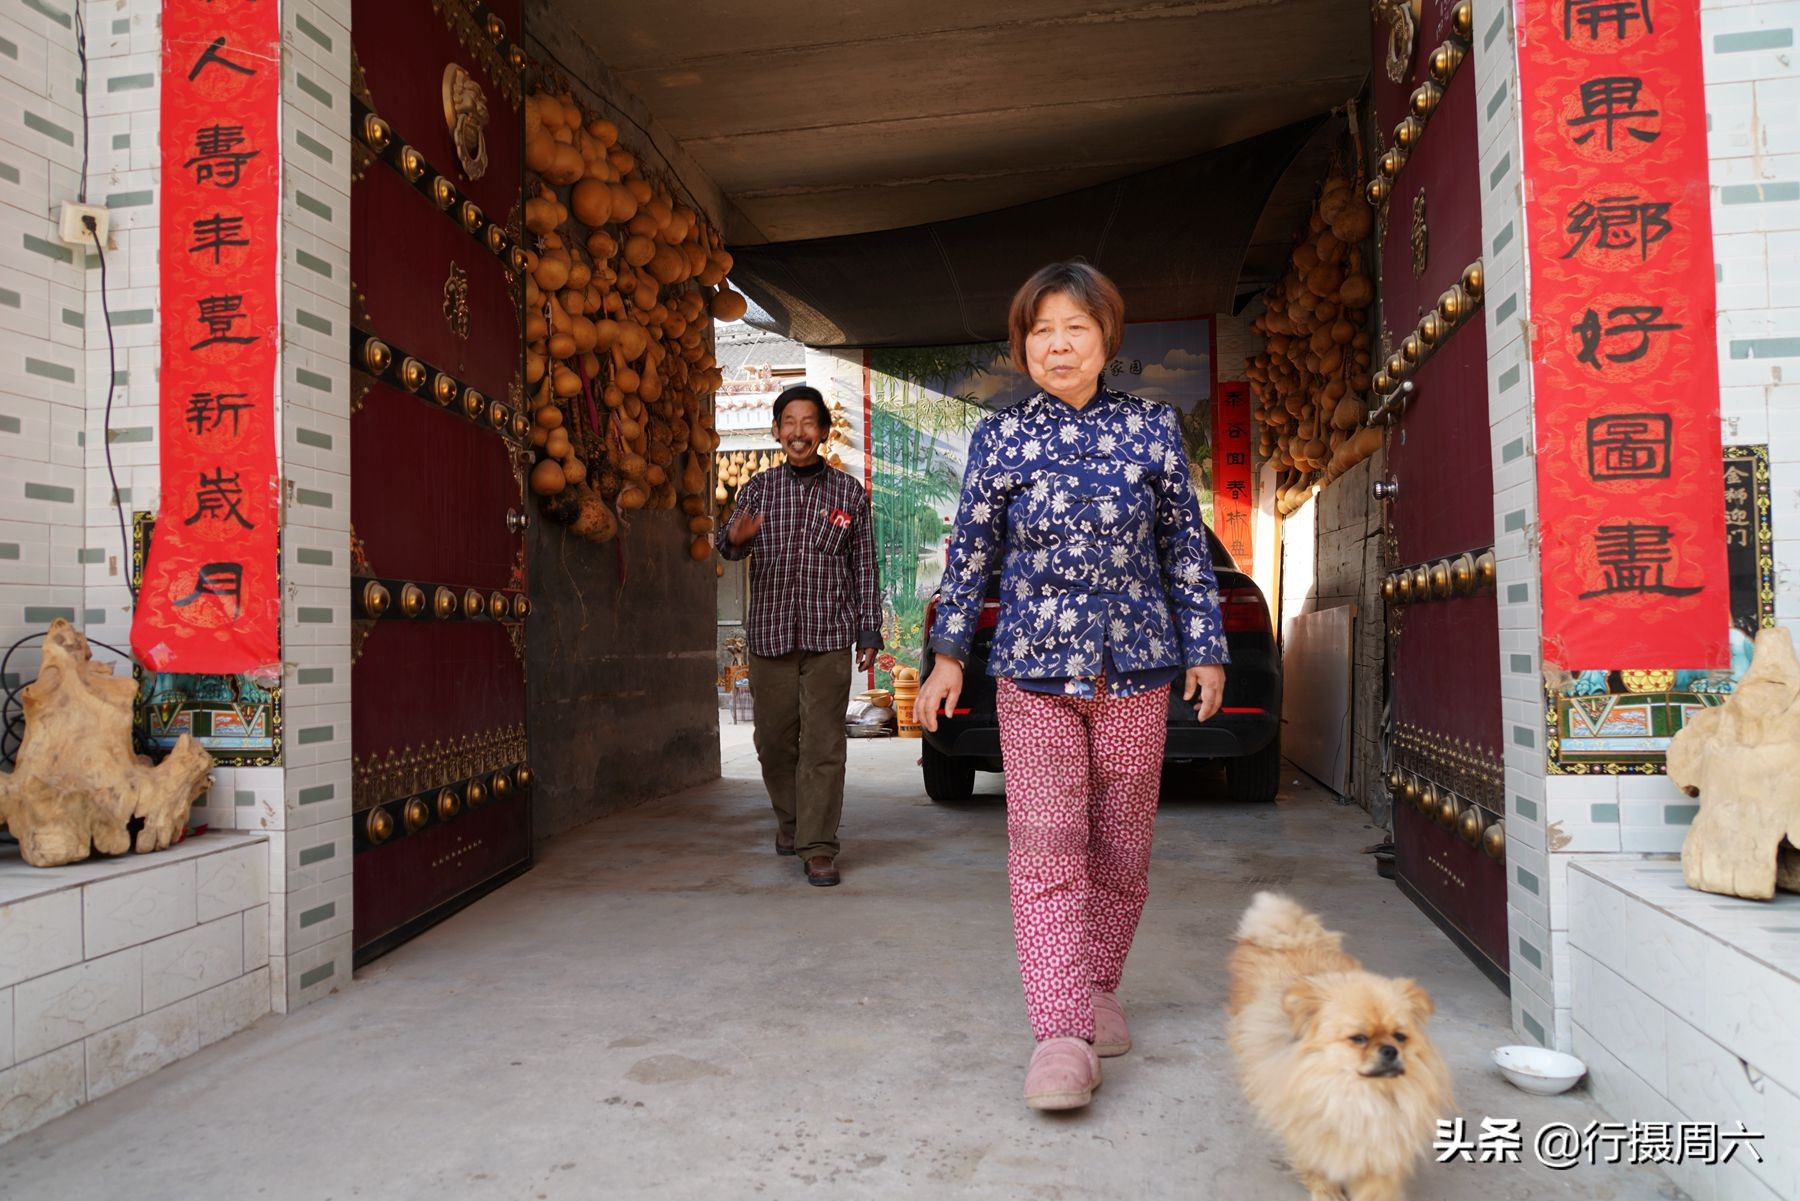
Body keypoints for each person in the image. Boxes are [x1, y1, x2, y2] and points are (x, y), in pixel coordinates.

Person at [914, 261, 1228, 1110]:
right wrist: (946, 655)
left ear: (1105, 339)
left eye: (1075, 328)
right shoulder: (1002, 438)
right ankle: (1059, 1032)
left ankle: (1096, 985)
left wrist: (1207, 649)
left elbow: (1184, 550)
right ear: (1023, 346)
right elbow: (971, 554)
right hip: (1033, 673)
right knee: (1048, 846)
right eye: (1041, 330)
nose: (1058, 344)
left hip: (1136, 668)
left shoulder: (1155, 430)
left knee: (1122, 850)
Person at [716, 384, 882, 887]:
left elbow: (865, 566)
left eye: (808, 422)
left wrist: (868, 628)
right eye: (789, 422)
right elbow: (728, 546)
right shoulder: (758, 490)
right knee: (773, 742)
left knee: (825, 744)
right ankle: (791, 823)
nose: (798, 432)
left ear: (823, 433)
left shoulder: (848, 493)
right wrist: (733, 540)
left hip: (829, 636)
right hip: (769, 637)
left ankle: (818, 846)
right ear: (776, 431)